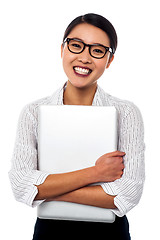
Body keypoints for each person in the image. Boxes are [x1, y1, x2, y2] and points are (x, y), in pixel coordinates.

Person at [9, 13, 145, 240]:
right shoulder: (33, 112)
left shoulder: (127, 113)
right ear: (62, 49)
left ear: (109, 60)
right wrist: (96, 173)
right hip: (49, 233)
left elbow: (127, 194)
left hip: (109, 235)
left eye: (97, 50)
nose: (84, 57)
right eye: (76, 45)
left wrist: (47, 189)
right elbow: (21, 186)